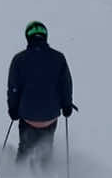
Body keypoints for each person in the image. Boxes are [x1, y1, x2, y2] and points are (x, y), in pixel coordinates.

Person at [7, 21, 74, 166]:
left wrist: (13, 109)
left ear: (28, 38)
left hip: (28, 117)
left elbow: (14, 89)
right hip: (50, 117)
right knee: (47, 147)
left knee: (24, 148)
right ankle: (46, 175)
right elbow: (65, 86)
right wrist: (67, 105)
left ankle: (17, 177)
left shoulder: (19, 60)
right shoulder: (59, 58)